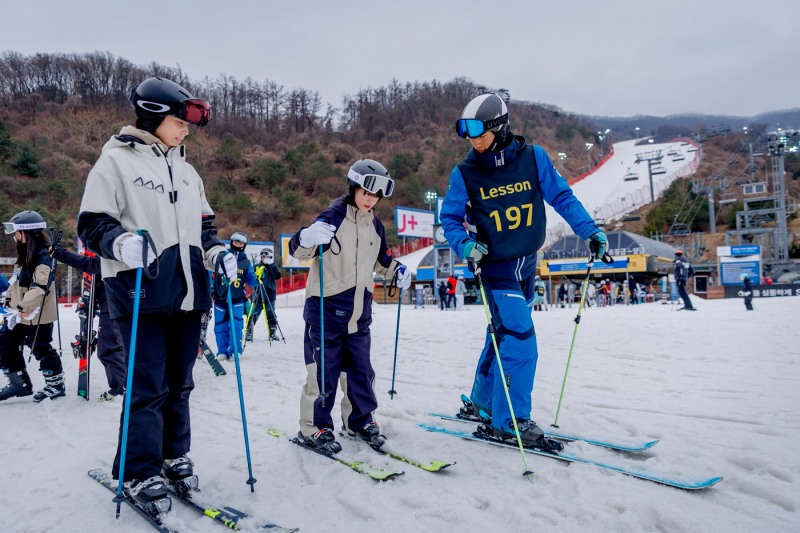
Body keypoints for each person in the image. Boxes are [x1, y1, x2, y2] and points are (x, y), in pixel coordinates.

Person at [77, 76, 235, 510]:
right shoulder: (114, 163)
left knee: (180, 384)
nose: (186, 131)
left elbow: (204, 229)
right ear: (154, 116)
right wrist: (120, 243)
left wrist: (217, 253)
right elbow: (91, 224)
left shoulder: (187, 172)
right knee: (147, 386)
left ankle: (172, 454)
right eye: (180, 122)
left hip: (188, 293)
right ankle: (138, 470)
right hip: (139, 292)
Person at [441, 93, 607, 448]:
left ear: (500, 128)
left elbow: (562, 197)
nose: (474, 143)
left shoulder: (534, 158)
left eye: (481, 134)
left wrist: (590, 231)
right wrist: (464, 244)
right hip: (495, 268)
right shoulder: (465, 173)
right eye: (469, 136)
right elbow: (450, 219)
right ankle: (510, 421)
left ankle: (483, 402)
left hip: (527, 264)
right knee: (519, 338)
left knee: (502, 335)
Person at [289, 158, 411, 454]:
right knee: (323, 374)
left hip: (359, 314)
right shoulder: (333, 216)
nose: (371, 200)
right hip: (325, 312)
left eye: (376, 196)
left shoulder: (375, 225)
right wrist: (305, 237)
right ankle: (314, 427)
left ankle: (360, 421)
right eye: (366, 193)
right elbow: (300, 250)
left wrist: (397, 270)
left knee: (360, 372)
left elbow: (380, 261)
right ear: (353, 187)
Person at [0, 211, 63, 403]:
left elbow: (39, 288)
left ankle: (55, 384)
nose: (15, 236)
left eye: (17, 232)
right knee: (5, 342)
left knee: (40, 348)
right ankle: (19, 383)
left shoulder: (43, 258)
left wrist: (22, 308)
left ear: (27, 232)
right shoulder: (25, 254)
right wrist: (8, 301)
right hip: (18, 313)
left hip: (37, 313)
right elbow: (15, 282)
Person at [50, 244, 126, 401]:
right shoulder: (109, 244)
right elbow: (97, 272)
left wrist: (61, 254)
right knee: (113, 345)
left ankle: (120, 389)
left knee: (109, 347)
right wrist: (91, 297)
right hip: (111, 300)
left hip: (115, 302)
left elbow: (93, 266)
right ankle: (123, 386)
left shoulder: (112, 244)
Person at [212, 232, 257, 359]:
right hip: (221, 297)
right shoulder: (222, 257)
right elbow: (213, 274)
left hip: (237, 298)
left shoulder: (246, 262)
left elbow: (250, 279)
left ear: (244, 245)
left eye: (241, 243)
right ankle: (222, 351)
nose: (238, 244)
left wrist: (257, 280)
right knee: (220, 326)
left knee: (236, 325)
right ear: (231, 242)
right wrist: (211, 288)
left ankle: (235, 350)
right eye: (236, 242)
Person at [245, 248, 281, 343]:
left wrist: (271, 265)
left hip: (269, 294)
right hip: (257, 295)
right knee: (253, 314)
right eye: (263, 257)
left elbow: (277, 276)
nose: (265, 258)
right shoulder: (257, 266)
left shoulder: (273, 266)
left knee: (271, 314)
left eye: (267, 257)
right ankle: (249, 332)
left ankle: (272, 333)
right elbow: (250, 278)